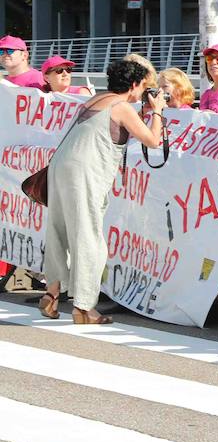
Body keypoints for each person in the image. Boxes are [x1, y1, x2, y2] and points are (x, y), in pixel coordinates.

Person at [39, 59, 167, 323]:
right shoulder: (121, 106)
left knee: (58, 230)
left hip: (61, 166)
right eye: (143, 86)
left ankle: (52, 292)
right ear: (133, 84)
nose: (144, 91)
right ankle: (84, 307)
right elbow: (154, 141)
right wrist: (158, 111)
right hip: (84, 172)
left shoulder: (95, 100)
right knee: (89, 237)